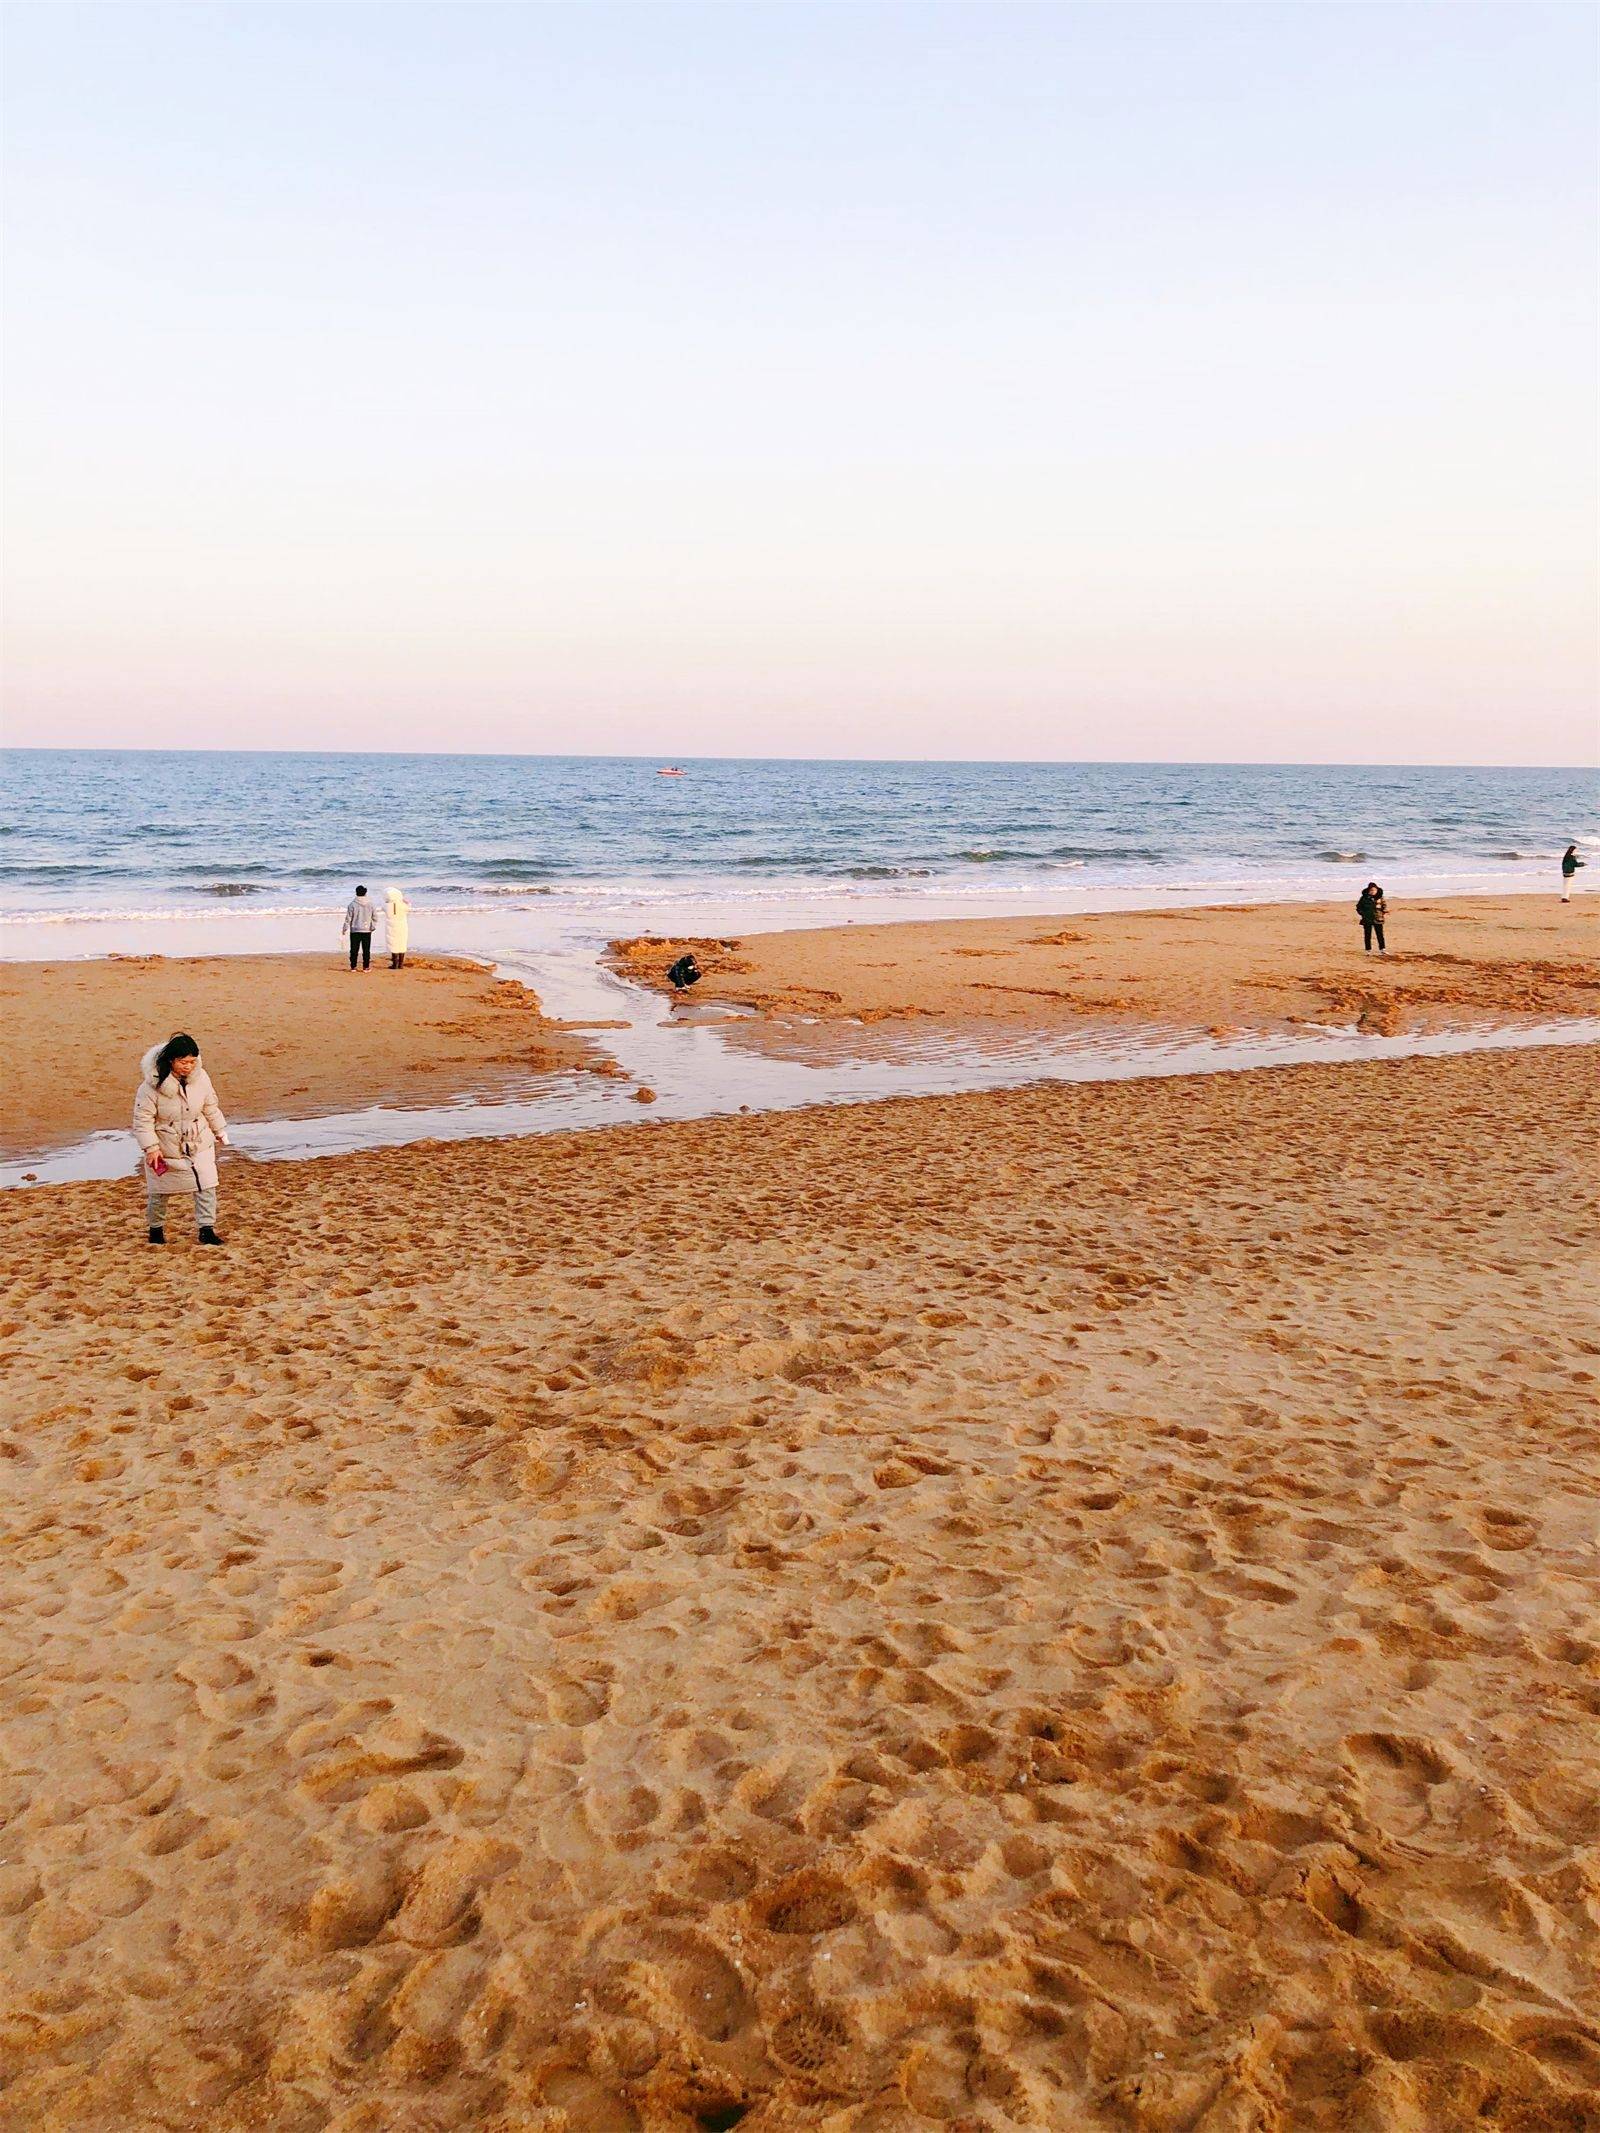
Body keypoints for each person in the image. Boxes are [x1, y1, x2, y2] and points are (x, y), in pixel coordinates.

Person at [134, 1033, 229, 1246]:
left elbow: (210, 1106)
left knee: (207, 1186)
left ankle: (207, 1229)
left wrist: (219, 1129)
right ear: (171, 1060)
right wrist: (151, 1148)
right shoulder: (150, 1087)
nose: (188, 1066)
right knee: (159, 1192)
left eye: (192, 1062)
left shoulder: (202, 1078)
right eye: (183, 1062)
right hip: (166, 1146)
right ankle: (156, 1229)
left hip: (198, 1141)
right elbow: (142, 1120)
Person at [343, 883, 379, 969]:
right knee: (366, 950)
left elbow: (348, 918)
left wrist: (345, 928)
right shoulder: (371, 904)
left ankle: (353, 967)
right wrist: (372, 926)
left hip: (355, 930)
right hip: (366, 930)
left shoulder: (352, 904)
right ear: (365, 893)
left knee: (354, 949)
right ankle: (366, 967)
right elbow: (375, 917)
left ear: (356, 893)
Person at [384, 885, 411, 969]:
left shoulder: (386, 905)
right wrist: (406, 902)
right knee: (401, 943)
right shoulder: (403, 905)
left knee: (393, 943)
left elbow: (383, 907)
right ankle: (401, 964)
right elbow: (409, 908)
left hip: (391, 926)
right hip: (402, 925)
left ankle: (395, 964)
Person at [1356, 881, 1386, 954]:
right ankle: (1368, 950)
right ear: (1368, 891)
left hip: (1378, 919)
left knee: (1380, 934)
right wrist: (1363, 914)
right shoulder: (1364, 898)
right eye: (1371, 890)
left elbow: (1384, 906)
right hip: (1367, 919)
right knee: (1367, 935)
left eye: (1374, 890)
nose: (1373, 892)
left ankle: (1382, 949)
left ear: (1377, 890)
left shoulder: (1380, 898)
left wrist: (1384, 911)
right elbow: (1358, 907)